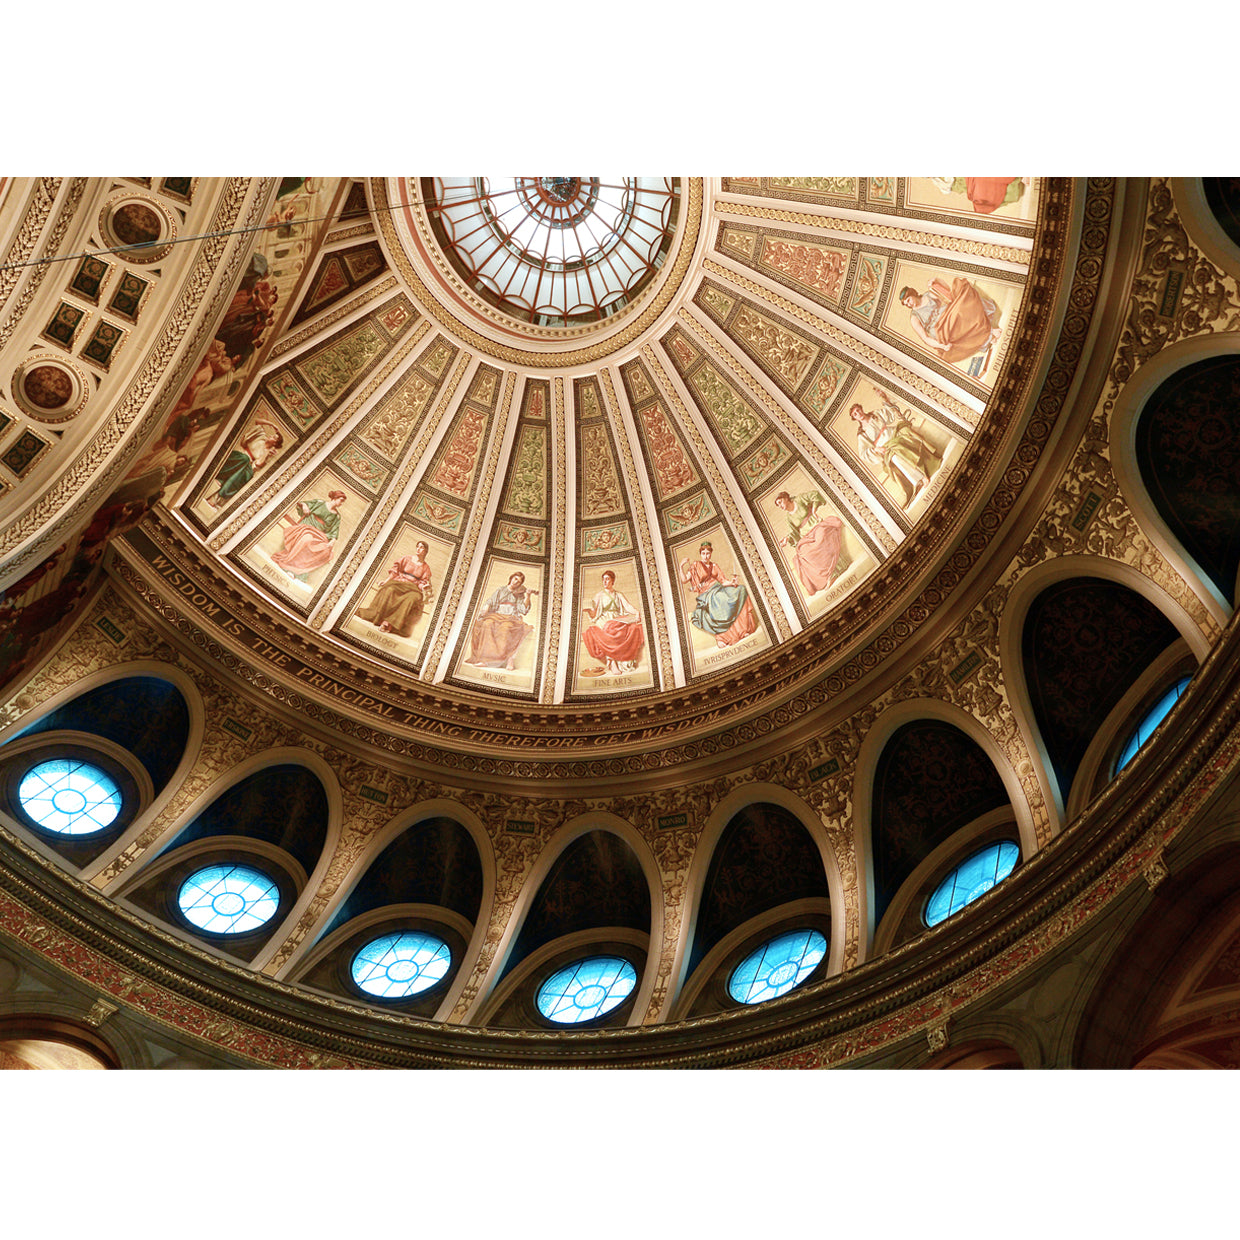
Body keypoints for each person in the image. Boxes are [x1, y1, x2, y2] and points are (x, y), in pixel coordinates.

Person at [847, 388, 942, 507]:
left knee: (908, 432)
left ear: (861, 409)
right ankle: (920, 479)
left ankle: (931, 456)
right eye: (855, 414)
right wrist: (876, 449)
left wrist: (884, 398)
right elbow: (863, 453)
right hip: (885, 446)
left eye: (858, 410)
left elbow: (890, 413)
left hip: (894, 434)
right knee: (895, 458)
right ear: (854, 418)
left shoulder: (875, 415)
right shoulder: (862, 433)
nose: (858, 414)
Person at [900, 278, 1000, 365]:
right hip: (941, 330)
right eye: (906, 304)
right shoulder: (914, 317)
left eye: (908, 300)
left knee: (963, 302)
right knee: (957, 317)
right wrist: (941, 346)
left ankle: (988, 333)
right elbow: (925, 338)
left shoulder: (928, 295)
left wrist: (937, 280)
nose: (909, 305)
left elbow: (947, 293)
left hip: (949, 313)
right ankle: (989, 334)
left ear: (912, 294)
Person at [679, 542, 757, 648]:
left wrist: (733, 583)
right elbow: (683, 580)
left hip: (718, 588)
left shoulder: (714, 566)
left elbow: (723, 581)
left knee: (740, 590)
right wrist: (681, 566)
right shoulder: (695, 566)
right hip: (706, 594)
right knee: (720, 600)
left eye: (708, 553)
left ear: (711, 553)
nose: (706, 556)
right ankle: (723, 638)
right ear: (700, 554)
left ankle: (742, 631)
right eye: (703, 553)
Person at [773, 491, 845, 596]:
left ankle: (835, 570)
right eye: (778, 505)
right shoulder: (789, 518)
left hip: (817, 526)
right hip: (806, 535)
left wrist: (814, 511)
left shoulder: (799, 499)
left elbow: (815, 495)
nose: (780, 506)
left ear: (786, 498)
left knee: (820, 539)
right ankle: (829, 576)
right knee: (804, 551)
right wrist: (787, 539)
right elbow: (793, 532)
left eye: (780, 502)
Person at [356, 542, 434, 637]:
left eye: (421, 547)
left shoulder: (426, 568)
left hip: (412, 588)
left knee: (412, 598)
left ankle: (388, 623)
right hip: (399, 582)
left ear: (425, 551)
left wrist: (424, 587)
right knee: (389, 590)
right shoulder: (406, 559)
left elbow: (422, 582)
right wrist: (386, 581)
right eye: (417, 546)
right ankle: (379, 617)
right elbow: (395, 571)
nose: (418, 549)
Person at [466, 572, 538, 669]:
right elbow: (491, 601)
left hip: (510, 617)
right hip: (497, 615)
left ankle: (508, 659)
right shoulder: (501, 590)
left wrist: (528, 596)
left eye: (519, 581)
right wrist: (487, 606)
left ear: (520, 584)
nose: (516, 582)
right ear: (511, 578)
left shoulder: (519, 594)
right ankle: (485, 660)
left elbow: (523, 610)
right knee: (487, 624)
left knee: (506, 628)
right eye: (515, 578)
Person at [271, 491, 346, 582]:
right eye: (341, 500)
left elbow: (334, 531)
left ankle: (299, 570)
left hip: (319, 535)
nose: (341, 503)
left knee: (325, 550)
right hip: (306, 528)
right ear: (335, 498)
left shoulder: (337, 516)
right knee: (307, 539)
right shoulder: (320, 503)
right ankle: (289, 564)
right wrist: (304, 506)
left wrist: (332, 541)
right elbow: (303, 503)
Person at [207, 420, 284, 508]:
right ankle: (220, 481)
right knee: (244, 459)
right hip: (236, 458)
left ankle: (216, 497)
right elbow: (257, 421)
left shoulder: (267, 453)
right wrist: (271, 423)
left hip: (245, 467)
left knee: (247, 472)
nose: (271, 436)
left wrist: (267, 453)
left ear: (274, 443)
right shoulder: (261, 437)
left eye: (273, 437)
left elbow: (257, 464)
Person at [581, 571, 644, 675]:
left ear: (612, 581)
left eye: (607, 579)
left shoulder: (618, 594)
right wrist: (588, 610)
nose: (605, 582)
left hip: (616, 618)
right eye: (603, 579)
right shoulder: (599, 595)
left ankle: (624, 661)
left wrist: (637, 612)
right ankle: (612, 662)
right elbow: (593, 614)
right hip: (603, 619)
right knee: (610, 629)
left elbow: (628, 607)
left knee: (632, 628)